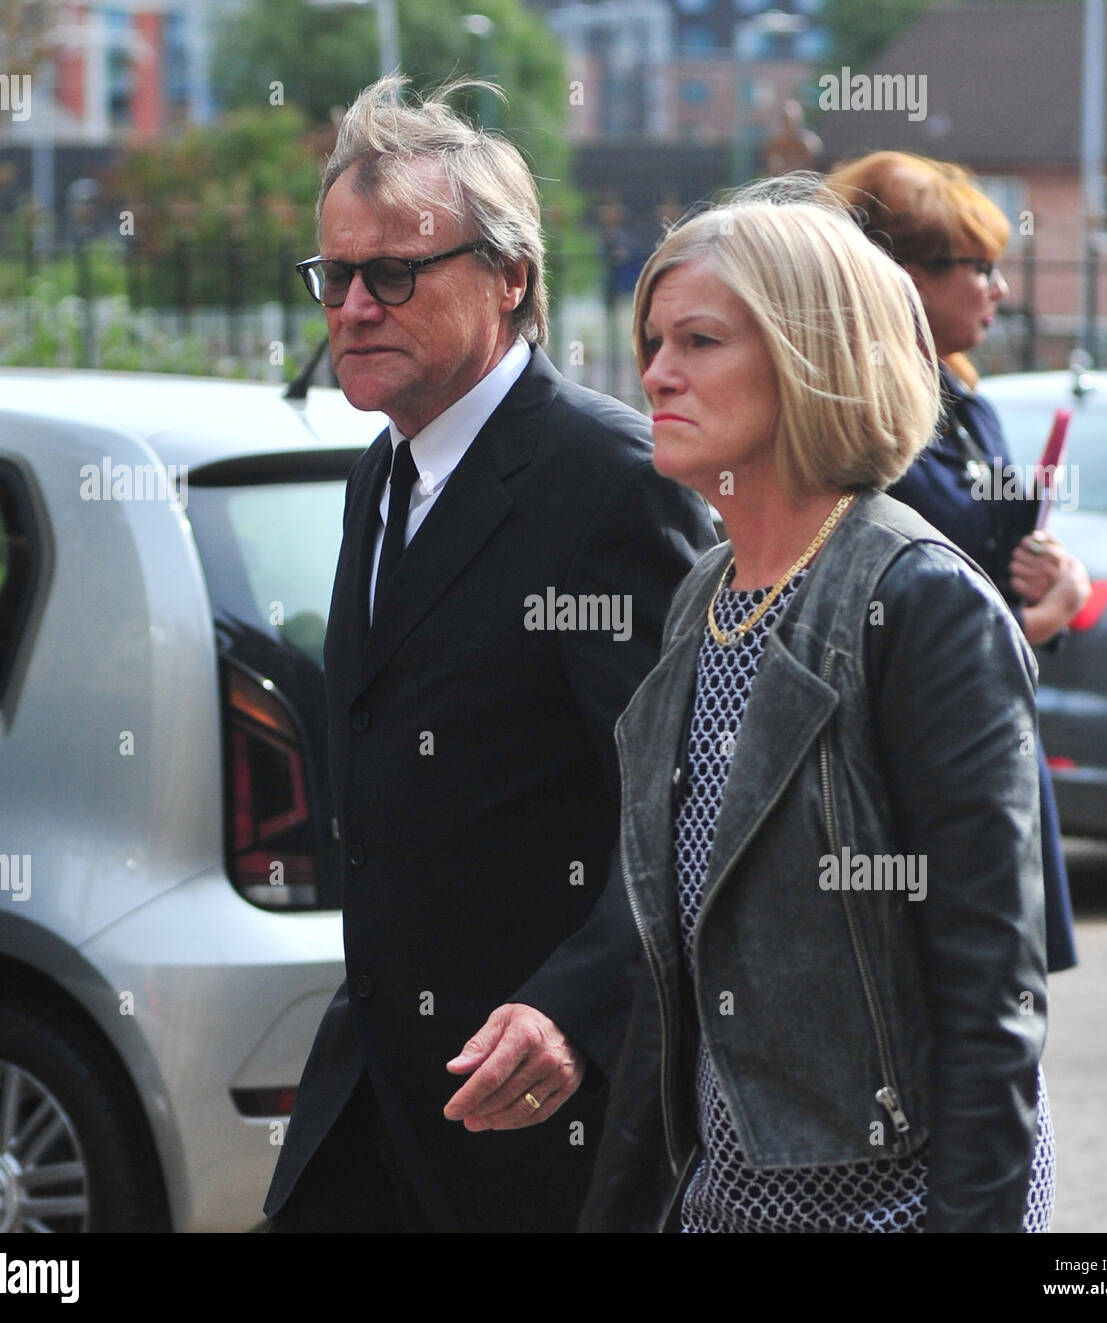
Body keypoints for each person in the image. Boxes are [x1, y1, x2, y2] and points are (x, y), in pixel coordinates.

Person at [263, 76, 715, 1233]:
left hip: (533, 1122)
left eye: (394, 275)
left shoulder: (609, 481)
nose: (353, 306)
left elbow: (683, 802)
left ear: (509, 278)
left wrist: (574, 1009)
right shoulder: (385, 466)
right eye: (333, 277)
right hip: (375, 1081)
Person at [573, 181, 1052, 1233]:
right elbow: (675, 971)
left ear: (808, 357)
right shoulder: (705, 594)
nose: (655, 372)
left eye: (699, 340)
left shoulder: (918, 602)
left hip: (893, 1202)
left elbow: (992, 991)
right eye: (651, 340)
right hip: (722, 1200)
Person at [827, 151, 1087, 973]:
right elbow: (878, 609)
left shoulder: (964, 398)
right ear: (898, 274)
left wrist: (1050, 581)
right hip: (913, 761)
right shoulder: (857, 419)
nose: (999, 290)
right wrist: (1035, 620)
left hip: (994, 734)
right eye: (978, 268)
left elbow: (983, 561)